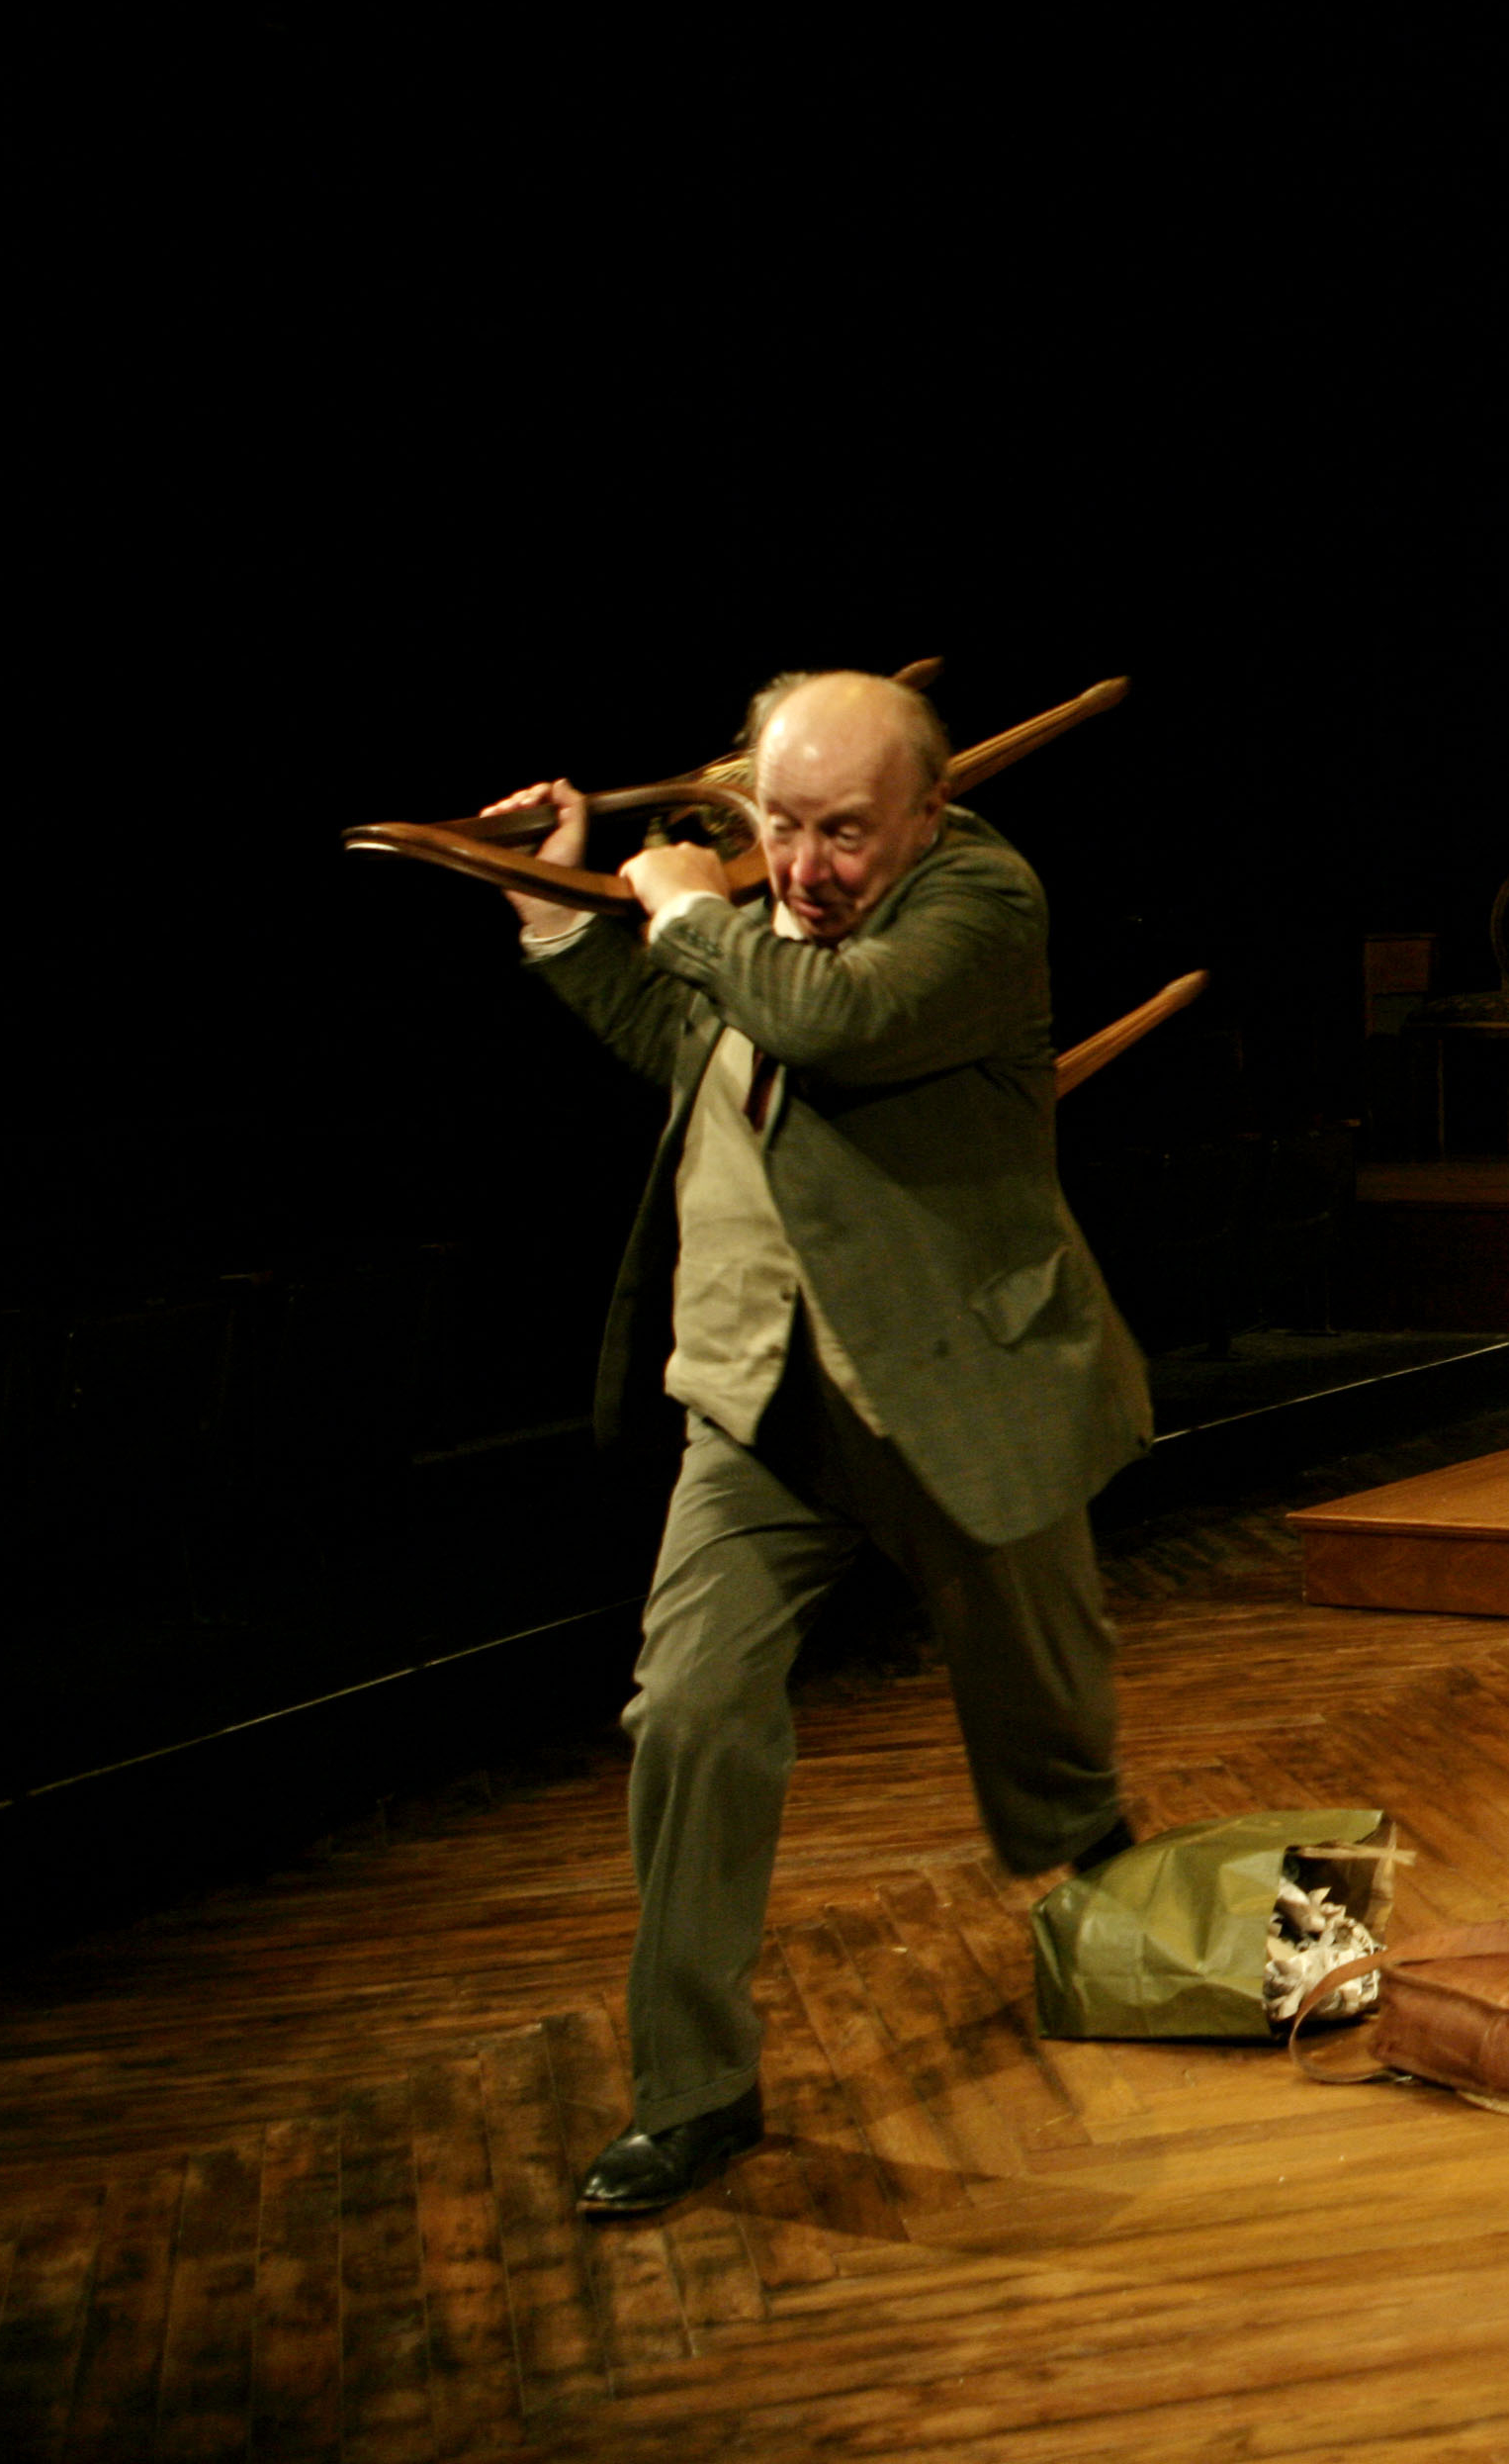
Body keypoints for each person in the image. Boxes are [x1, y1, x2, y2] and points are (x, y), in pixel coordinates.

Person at [489, 669, 1150, 2217]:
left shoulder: (979, 902)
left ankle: (1114, 1885)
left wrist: (677, 904)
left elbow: (823, 1023)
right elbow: (690, 1040)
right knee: (690, 1716)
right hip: (758, 1401)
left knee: (1051, 1732)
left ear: (930, 811)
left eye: (844, 830)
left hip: (954, 1386)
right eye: (775, 826)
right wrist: (563, 904)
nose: (803, 866)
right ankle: (693, 2089)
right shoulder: (754, 921)